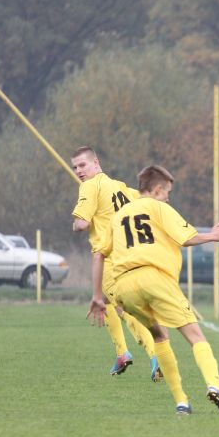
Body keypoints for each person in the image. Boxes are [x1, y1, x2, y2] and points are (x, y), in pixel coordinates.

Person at [88, 164, 219, 416]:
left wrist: (96, 296)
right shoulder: (159, 207)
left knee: (158, 336)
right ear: (157, 190)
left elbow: (99, 254)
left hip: (125, 287)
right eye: (167, 191)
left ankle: (181, 401)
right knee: (196, 337)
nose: (168, 197)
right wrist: (212, 235)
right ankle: (214, 386)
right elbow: (186, 237)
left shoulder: (119, 216)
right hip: (154, 277)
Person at [71, 146, 160, 381]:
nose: (78, 171)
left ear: (96, 162)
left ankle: (155, 355)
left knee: (125, 309)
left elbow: (80, 224)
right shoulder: (119, 186)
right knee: (106, 303)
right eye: (75, 167)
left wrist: (79, 222)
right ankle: (122, 353)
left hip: (109, 261)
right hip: (131, 256)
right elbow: (145, 201)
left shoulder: (89, 186)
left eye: (82, 165)